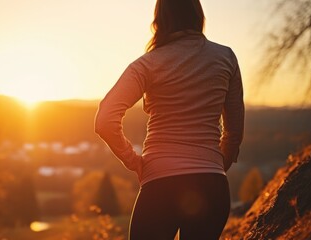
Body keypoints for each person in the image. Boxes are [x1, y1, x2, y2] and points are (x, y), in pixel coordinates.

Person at [94, 0, 244, 239]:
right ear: (198, 14)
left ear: (160, 19)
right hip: (212, 187)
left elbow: (105, 120)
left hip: (160, 186)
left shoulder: (146, 64)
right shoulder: (226, 57)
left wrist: (134, 161)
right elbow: (234, 132)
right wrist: (214, 166)